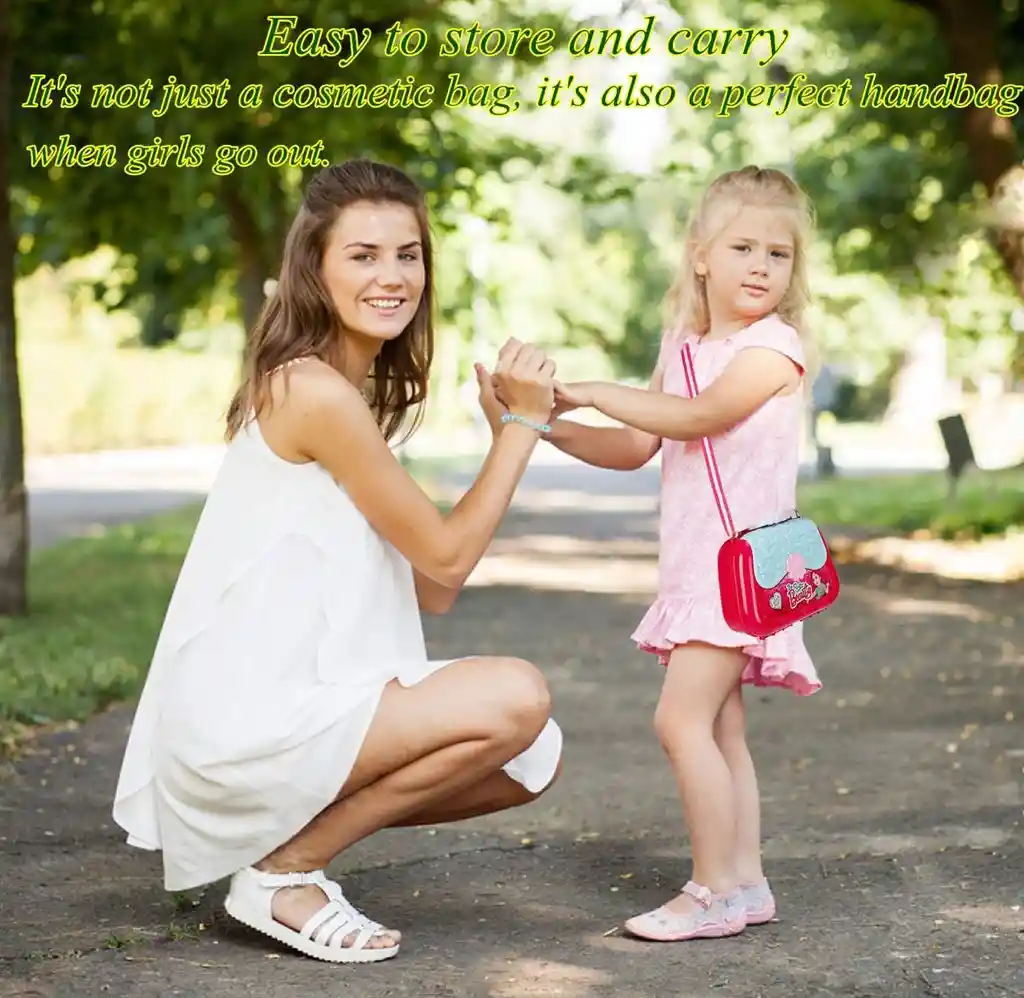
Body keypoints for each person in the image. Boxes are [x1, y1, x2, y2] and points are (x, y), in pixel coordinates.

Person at [111, 159, 564, 964]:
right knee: (517, 698)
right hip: (245, 727)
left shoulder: (347, 400)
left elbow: (433, 588)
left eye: (408, 254)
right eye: (363, 255)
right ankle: (284, 874)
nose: (393, 276)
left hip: (301, 709)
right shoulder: (311, 393)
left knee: (532, 755)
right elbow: (450, 560)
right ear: (315, 269)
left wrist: (505, 435)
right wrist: (523, 430)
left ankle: (286, 851)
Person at [544, 166, 822, 941]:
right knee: (721, 728)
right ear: (701, 255)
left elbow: (699, 417)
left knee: (681, 720)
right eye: (742, 248)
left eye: (778, 253)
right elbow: (637, 445)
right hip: (699, 572)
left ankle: (712, 892)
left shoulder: (774, 348)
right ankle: (745, 882)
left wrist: (594, 388)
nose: (761, 266)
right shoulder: (686, 347)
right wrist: (537, 424)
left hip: (742, 576)